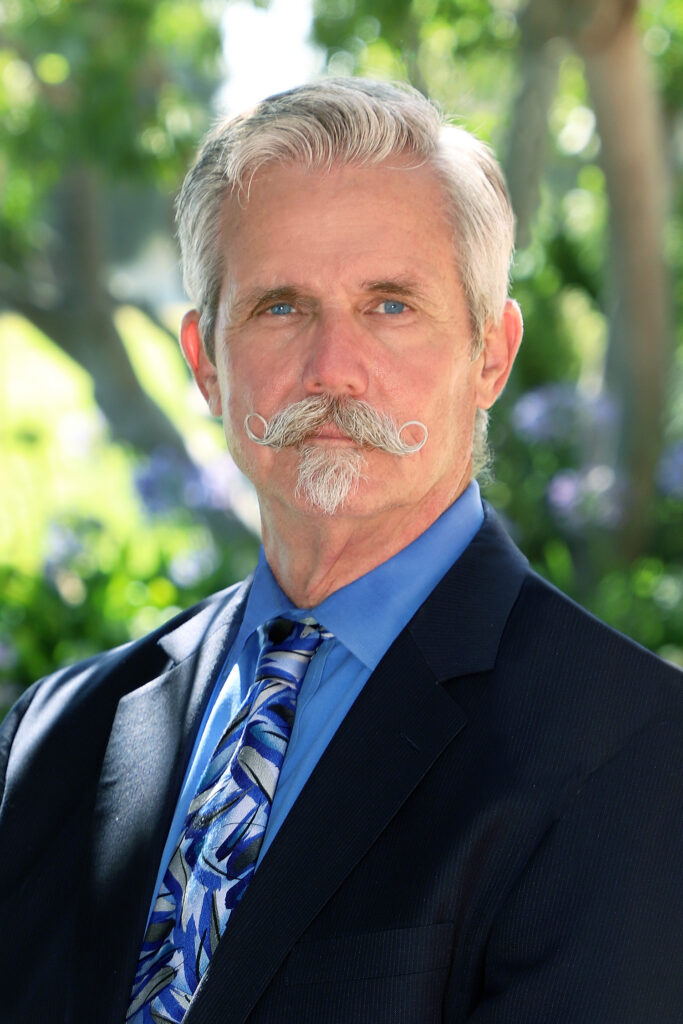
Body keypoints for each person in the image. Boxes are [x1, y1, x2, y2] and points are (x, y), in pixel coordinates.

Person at [0, 78, 680, 1024]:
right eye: (280, 307)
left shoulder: (632, 753)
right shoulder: (53, 738)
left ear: (491, 353)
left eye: (390, 306)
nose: (331, 369)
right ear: (205, 362)